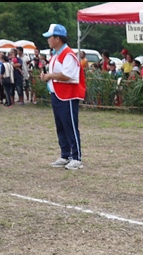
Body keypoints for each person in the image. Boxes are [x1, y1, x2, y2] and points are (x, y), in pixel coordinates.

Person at [40, 23, 86, 171]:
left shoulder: (68, 55)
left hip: (68, 96)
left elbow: (67, 75)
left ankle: (76, 157)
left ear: (57, 39)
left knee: (70, 126)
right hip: (57, 94)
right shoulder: (56, 55)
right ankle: (65, 154)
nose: (48, 40)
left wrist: (49, 76)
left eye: (50, 37)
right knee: (60, 126)